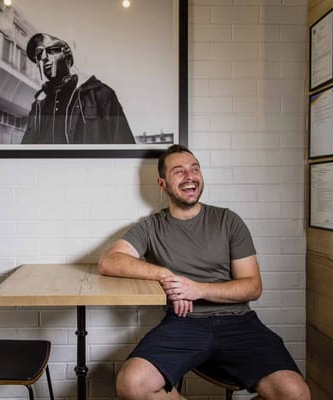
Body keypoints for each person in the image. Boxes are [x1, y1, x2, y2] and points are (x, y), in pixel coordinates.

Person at [98, 144, 310, 400]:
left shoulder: (228, 220)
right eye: (179, 171)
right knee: (132, 384)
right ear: (162, 183)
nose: (190, 176)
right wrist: (167, 275)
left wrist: (196, 289)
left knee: (296, 393)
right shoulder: (151, 226)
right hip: (183, 323)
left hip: (239, 322)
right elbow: (110, 261)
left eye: (195, 169)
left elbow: (252, 287)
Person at [21, 32, 135, 145]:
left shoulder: (101, 95)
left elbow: (124, 147)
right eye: (39, 54)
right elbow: (25, 152)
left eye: (52, 50)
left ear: (67, 54)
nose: (44, 57)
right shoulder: (38, 105)